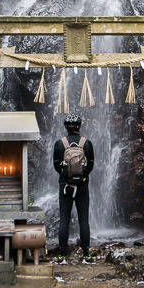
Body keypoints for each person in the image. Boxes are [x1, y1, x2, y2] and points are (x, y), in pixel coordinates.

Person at [53, 113, 94, 265]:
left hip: (65, 187)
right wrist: (81, 177)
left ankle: (62, 256)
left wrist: (66, 177)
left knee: (64, 220)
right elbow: (90, 165)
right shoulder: (87, 143)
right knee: (84, 220)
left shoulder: (59, 144)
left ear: (66, 127)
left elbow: (56, 165)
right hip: (82, 187)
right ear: (80, 126)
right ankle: (86, 255)